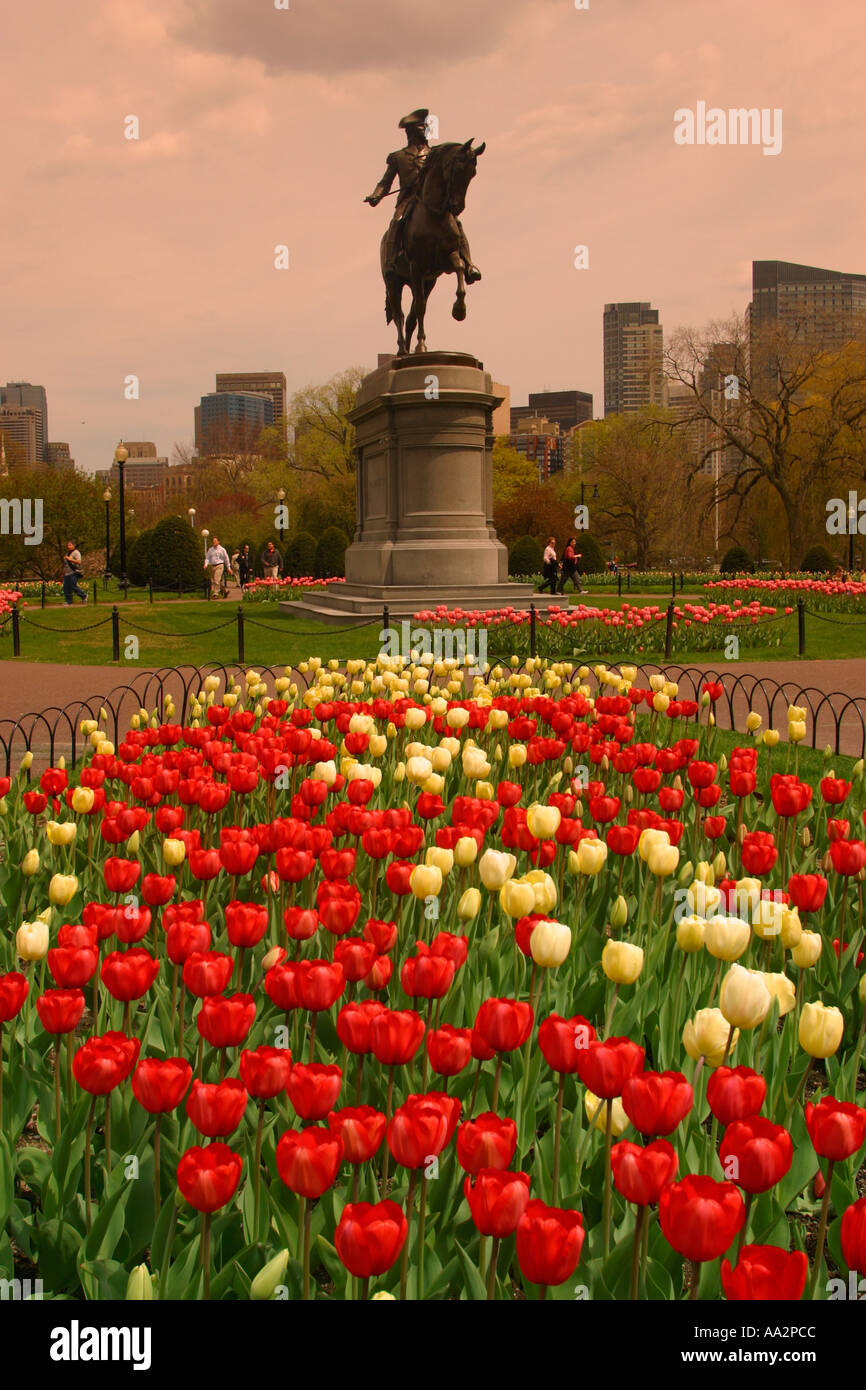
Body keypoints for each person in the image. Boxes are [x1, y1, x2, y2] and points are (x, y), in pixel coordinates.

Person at [62, 541, 88, 606]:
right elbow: (65, 564)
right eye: (68, 545)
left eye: (70, 545)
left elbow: (79, 562)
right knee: (66, 587)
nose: (69, 546)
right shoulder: (67, 553)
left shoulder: (76, 552)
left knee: (73, 585)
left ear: (73, 545)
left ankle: (84, 596)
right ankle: (68, 602)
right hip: (67, 573)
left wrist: (70, 559)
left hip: (73, 572)